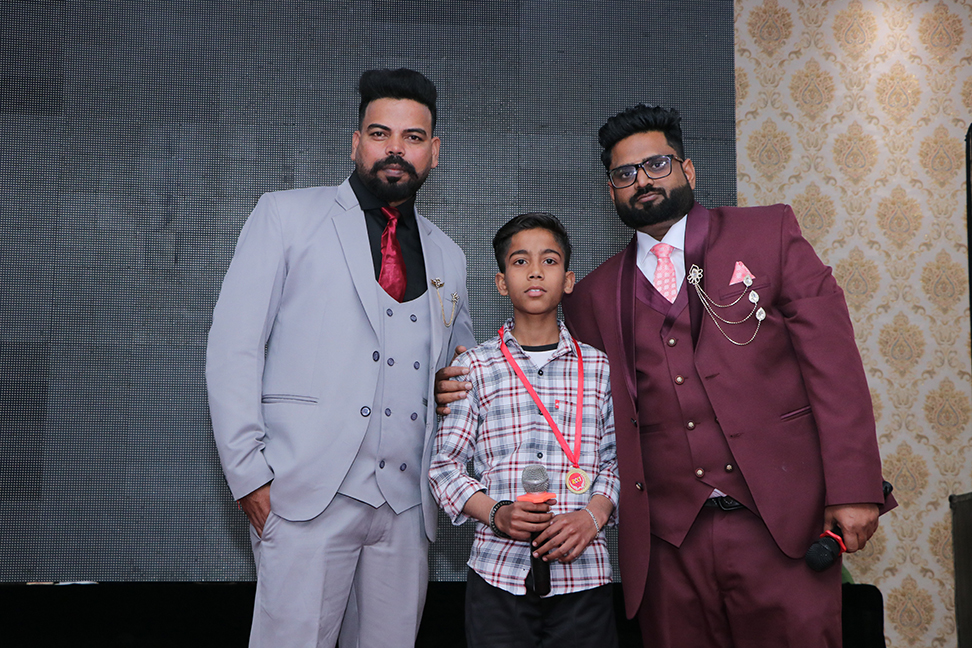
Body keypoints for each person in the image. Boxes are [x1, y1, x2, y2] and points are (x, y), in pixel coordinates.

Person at [436, 105, 895, 647]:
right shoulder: (593, 295)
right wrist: (454, 381)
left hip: (780, 523)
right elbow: (547, 378)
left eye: (656, 164)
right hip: (667, 542)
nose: (643, 181)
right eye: (624, 173)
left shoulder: (767, 232)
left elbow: (833, 362)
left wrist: (854, 487)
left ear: (688, 170)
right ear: (611, 191)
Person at [206, 67, 475, 648]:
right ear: (356, 143)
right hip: (303, 494)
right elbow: (233, 348)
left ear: (434, 152)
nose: (395, 149)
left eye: (412, 137)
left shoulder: (449, 257)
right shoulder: (285, 216)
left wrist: (449, 390)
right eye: (380, 134)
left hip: (406, 506)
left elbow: (459, 372)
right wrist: (249, 476)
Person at [429, 213, 620, 648]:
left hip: (584, 575)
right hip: (498, 574)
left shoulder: (599, 367)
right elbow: (444, 468)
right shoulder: (475, 367)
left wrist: (592, 517)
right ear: (501, 282)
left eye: (549, 260)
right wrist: (496, 513)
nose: (535, 271)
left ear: (568, 280)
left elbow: (617, 462)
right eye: (520, 261)